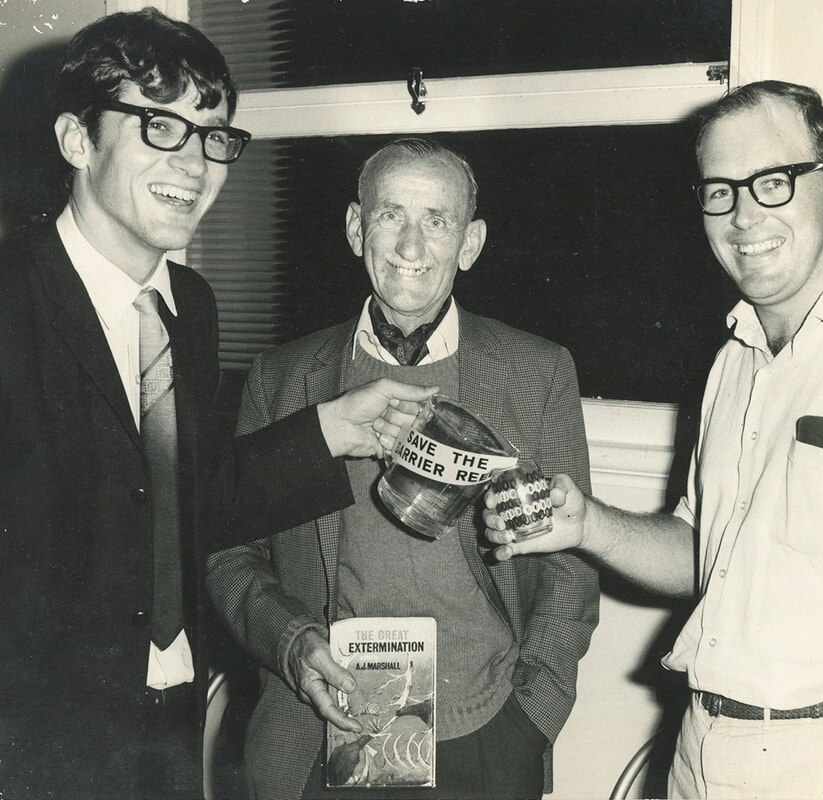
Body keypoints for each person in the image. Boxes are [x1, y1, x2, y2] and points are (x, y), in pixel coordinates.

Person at [0, 10, 434, 798]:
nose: (196, 163)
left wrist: (332, 431)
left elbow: (176, 498)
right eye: (161, 127)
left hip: (165, 723)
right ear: (75, 139)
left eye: (214, 135)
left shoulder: (188, 305)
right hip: (35, 743)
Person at [485, 80, 823, 799]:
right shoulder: (735, 358)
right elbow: (702, 552)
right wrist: (585, 522)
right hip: (700, 751)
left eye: (771, 182)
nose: (742, 216)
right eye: (719, 191)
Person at [206, 137, 599, 800]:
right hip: (318, 731)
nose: (411, 248)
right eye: (391, 216)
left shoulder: (536, 372)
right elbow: (230, 554)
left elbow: (569, 569)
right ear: (357, 228)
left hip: (484, 740)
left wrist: (528, 721)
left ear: (470, 244)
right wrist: (294, 646)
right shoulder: (281, 378)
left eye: (437, 221)